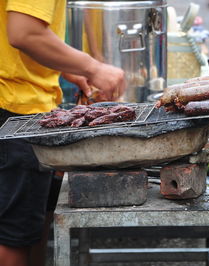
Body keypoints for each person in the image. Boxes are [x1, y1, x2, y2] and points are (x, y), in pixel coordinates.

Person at [0, 1, 125, 266]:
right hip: (14, 108)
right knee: (13, 237)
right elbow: (24, 32)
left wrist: (68, 68)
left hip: (20, 102)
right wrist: (94, 68)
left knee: (28, 229)